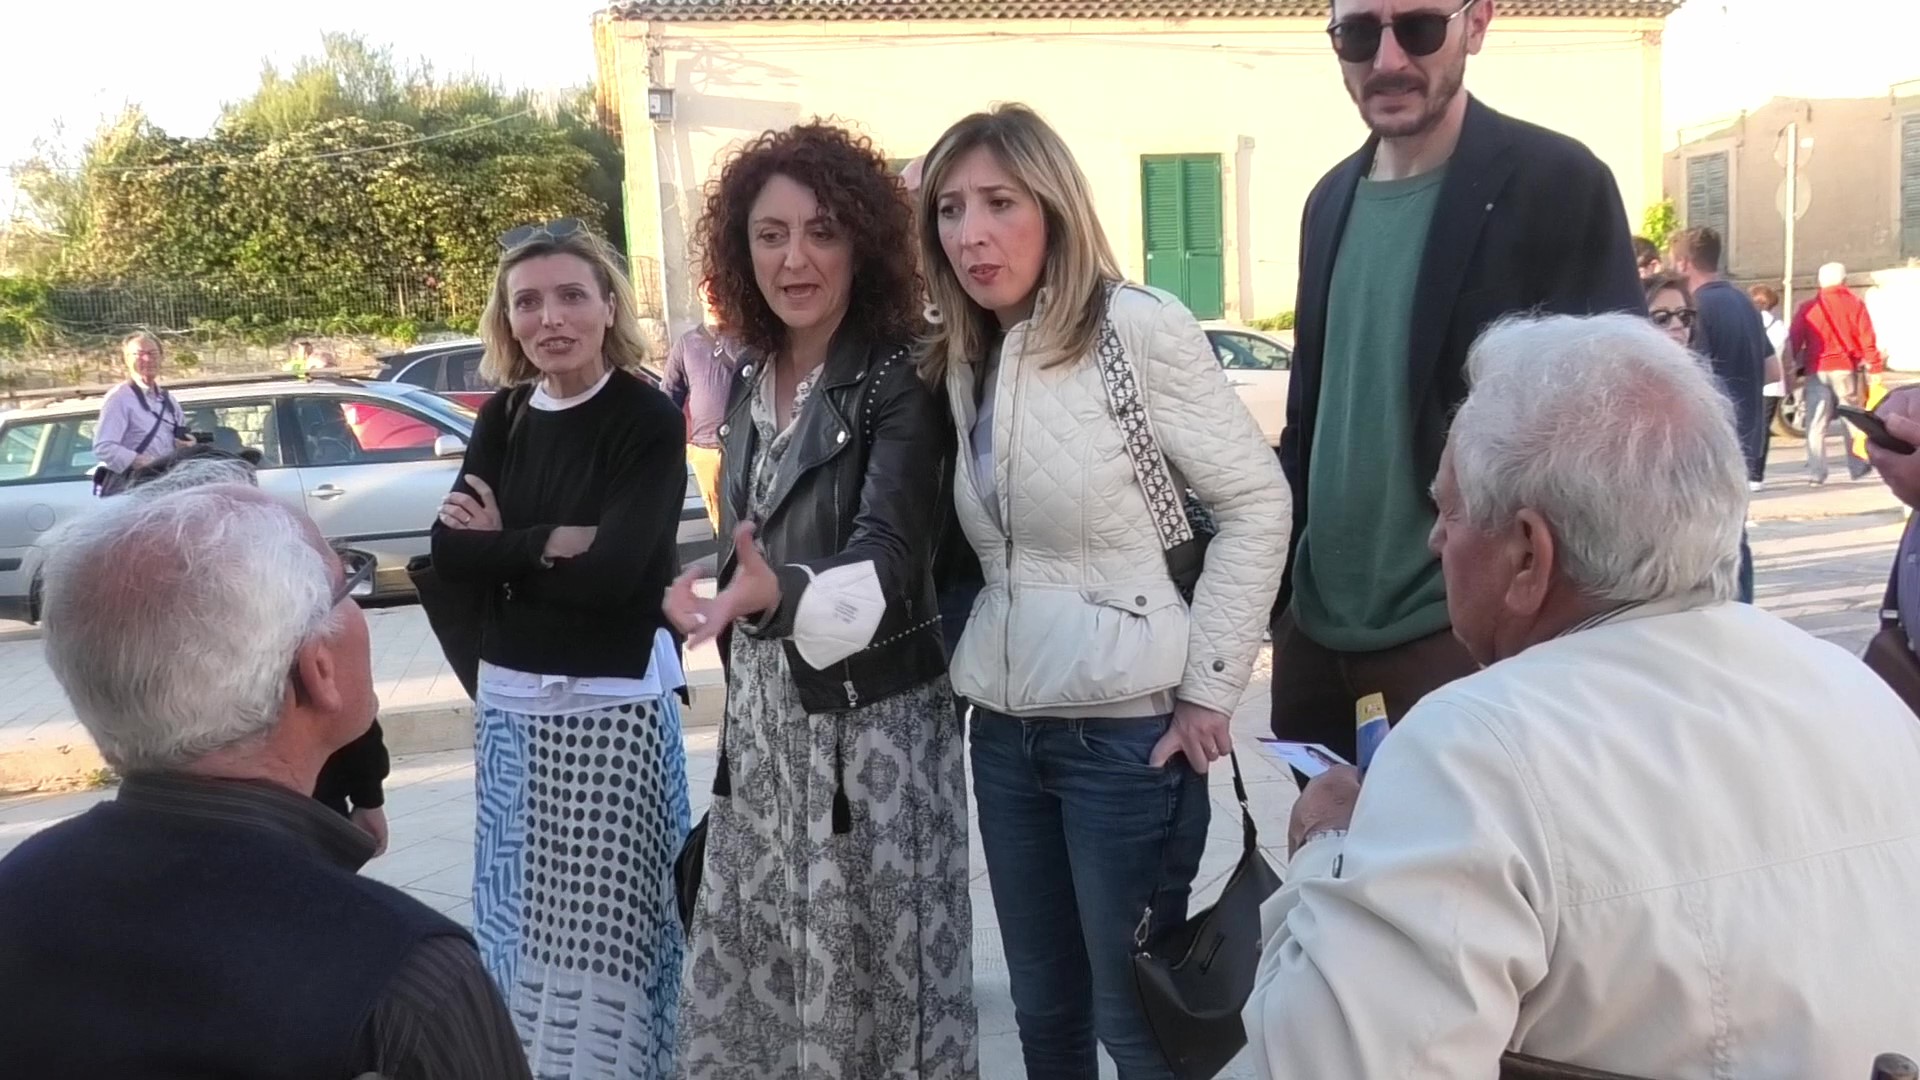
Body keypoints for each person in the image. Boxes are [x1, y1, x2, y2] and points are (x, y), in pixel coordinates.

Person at [1244, 313, 1920, 1077]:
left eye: (1449, 512)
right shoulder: (1854, 690)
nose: (1436, 542)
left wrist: (1327, 851)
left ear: (1529, 555)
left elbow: (1326, 1064)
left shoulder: (1475, 750)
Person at [917, 103, 1288, 1079]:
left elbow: (1257, 503)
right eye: (950, 209)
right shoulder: (966, 354)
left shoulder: (1136, 326)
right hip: (1006, 734)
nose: (972, 232)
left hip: (1127, 738)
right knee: (1045, 1016)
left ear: (1055, 206)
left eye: (1000, 202)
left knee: (1138, 1026)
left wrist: (1210, 690)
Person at [0, 483, 530, 1079]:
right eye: (346, 585)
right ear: (317, 669)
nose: (358, 611)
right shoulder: (408, 980)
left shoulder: (16, 892)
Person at [667, 122, 975, 1079]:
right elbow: (753, 540)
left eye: (821, 231)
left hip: (869, 738)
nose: (793, 258)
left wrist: (777, 594)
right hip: (764, 732)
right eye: (770, 234)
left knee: (870, 996)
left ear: (864, 243)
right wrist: (709, 588)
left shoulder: (900, 375)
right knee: (763, 987)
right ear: (741, 250)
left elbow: (890, 557)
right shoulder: (750, 378)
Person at [1271, 0, 1646, 760]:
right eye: (1358, 33)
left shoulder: (1558, 184)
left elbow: (1615, 430)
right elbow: (1310, 418)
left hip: (1461, 643)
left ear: (1476, 24)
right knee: (1328, 837)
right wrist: (1282, 602)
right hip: (1316, 642)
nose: (1387, 61)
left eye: (1418, 28)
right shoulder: (1328, 200)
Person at [431, 219, 692, 1078]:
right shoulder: (506, 415)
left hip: (614, 704)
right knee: (524, 921)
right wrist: (549, 541)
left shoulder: (646, 417)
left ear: (609, 306)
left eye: (572, 296)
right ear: (507, 321)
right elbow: (448, 552)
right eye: (528, 302)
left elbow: (618, 576)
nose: (551, 318)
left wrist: (506, 549)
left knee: (618, 924)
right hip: (513, 705)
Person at [122, 444, 394, 853]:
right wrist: (369, 796)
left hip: (189, 821)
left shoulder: (136, 617)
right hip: (296, 810)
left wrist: (369, 795)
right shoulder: (285, 597)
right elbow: (346, 700)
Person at [1790, 261, 1885, 485]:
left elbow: (1794, 338)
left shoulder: (1808, 307)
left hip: (1816, 369)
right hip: (1845, 368)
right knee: (1851, 418)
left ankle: (1816, 473)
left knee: (1816, 422)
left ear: (1819, 282)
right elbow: (1867, 337)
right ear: (1844, 281)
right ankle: (1857, 467)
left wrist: (1790, 365)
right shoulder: (1855, 304)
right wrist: (1875, 366)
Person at [662, 283, 738, 531]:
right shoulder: (685, 344)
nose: (713, 297)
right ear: (700, 296)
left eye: (719, 292)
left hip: (746, 444)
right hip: (705, 448)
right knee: (720, 522)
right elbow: (669, 397)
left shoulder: (750, 339)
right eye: (709, 293)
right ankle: (725, 555)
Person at [91, 331, 190, 495]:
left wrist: (188, 444)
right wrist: (140, 462)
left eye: (152, 353)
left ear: (161, 357)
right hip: (137, 488)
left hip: (170, 486)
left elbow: (181, 438)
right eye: (139, 354)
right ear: (126, 360)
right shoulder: (119, 399)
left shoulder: (168, 400)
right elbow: (104, 447)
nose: (147, 359)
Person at [1747, 283, 1789, 480]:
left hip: (1750, 382)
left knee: (1746, 428)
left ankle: (1746, 470)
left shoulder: (1746, 322)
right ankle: (1757, 475)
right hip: (1772, 385)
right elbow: (1782, 355)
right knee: (1763, 431)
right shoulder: (1779, 327)